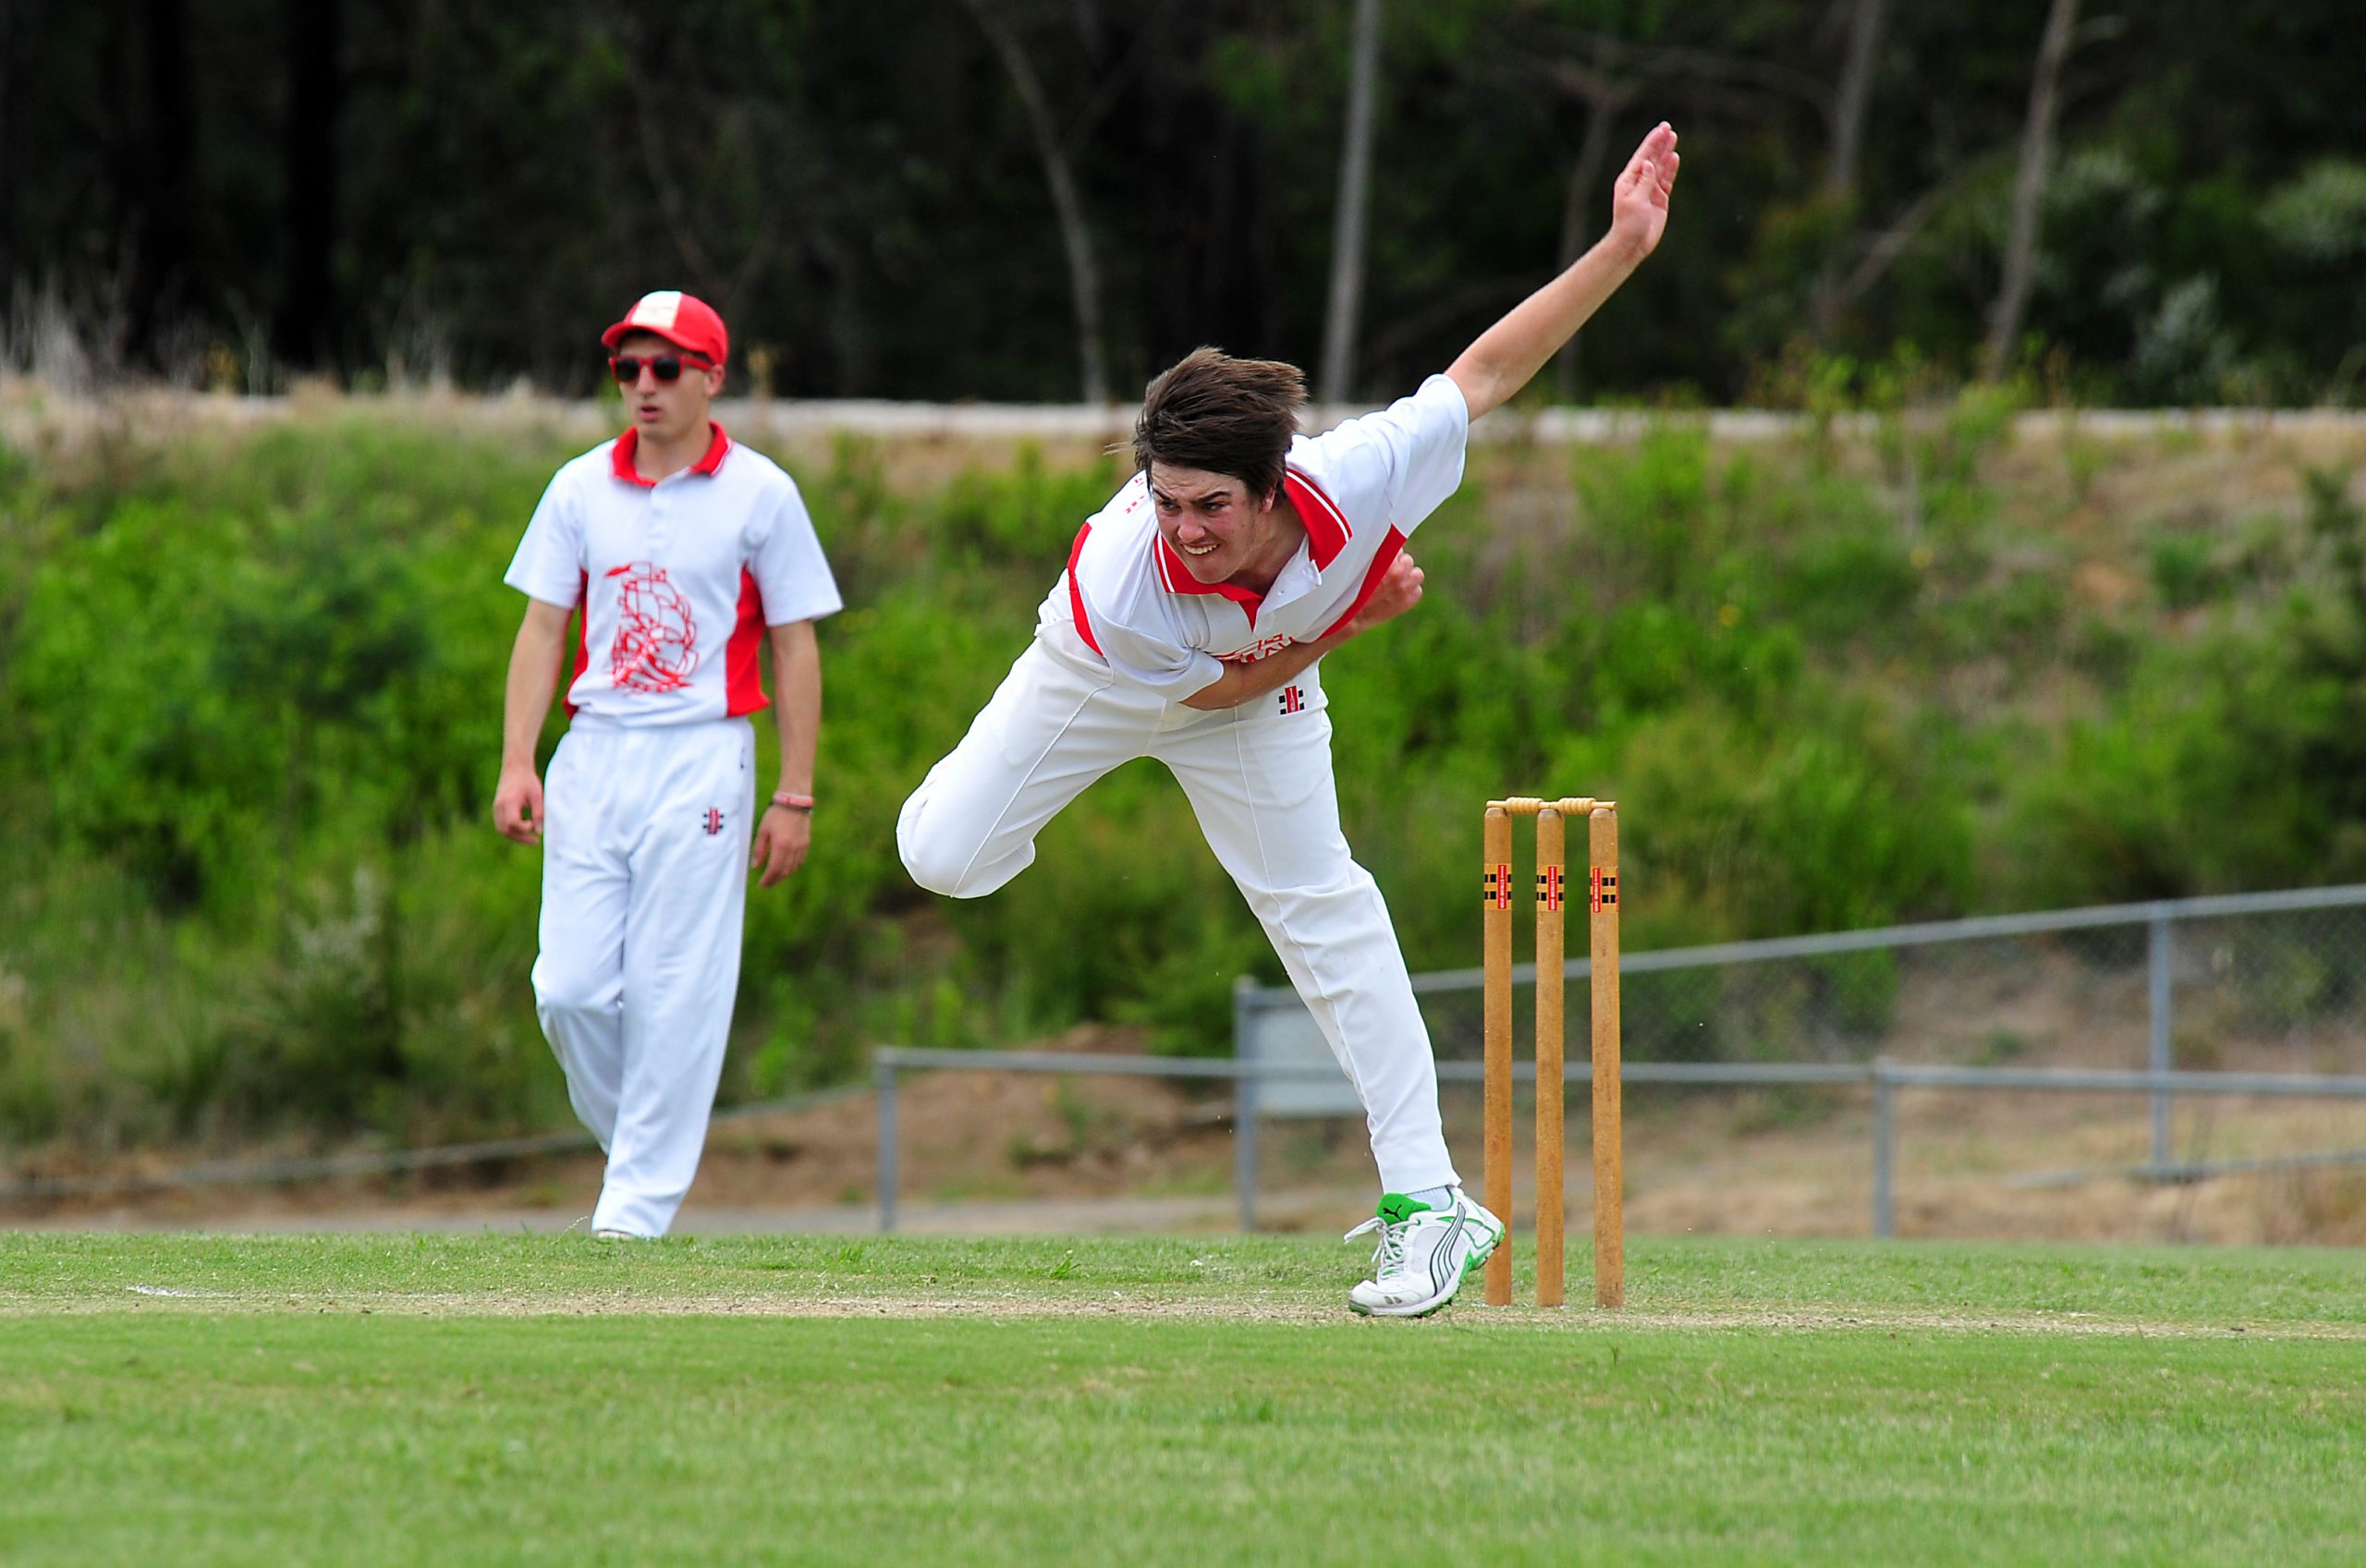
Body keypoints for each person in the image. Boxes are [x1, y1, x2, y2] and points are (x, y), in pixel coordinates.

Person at [899, 125, 1681, 1315]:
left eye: (1210, 505)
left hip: (1255, 695)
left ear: (1273, 485)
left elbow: (1484, 375)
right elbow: (1202, 689)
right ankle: (994, 804)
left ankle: (1430, 1203)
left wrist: (1622, 247)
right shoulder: (1127, 574)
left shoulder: (1360, 470)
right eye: (1166, 499)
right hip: (1104, 678)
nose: (1186, 529)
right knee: (942, 857)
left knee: (1322, 906)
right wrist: (1348, 622)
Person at [494, 290, 842, 1239]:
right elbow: (542, 627)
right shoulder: (577, 488)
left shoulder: (761, 493)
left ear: (712, 376)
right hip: (594, 752)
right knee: (567, 989)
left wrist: (795, 792)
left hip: (703, 757)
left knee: (672, 989)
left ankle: (631, 1218)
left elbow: (795, 645)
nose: (643, 385)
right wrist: (518, 760)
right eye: (628, 367)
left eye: (666, 367)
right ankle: (641, 1162)